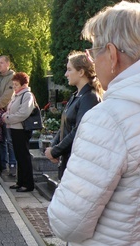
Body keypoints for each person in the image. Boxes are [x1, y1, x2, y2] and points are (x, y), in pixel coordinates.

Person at [48, 2, 140, 246]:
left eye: (93, 51)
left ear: (112, 55)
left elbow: (67, 221)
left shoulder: (109, 119)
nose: (91, 60)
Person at [45, 51, 103, 180]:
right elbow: (65, 125)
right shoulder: (75, 96)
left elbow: (79, 131)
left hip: (79, 163)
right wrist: (54, 147)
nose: (66, 74)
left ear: (81, 72)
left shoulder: (89, 97)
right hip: (68, 160)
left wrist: (55, 151)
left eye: (69, 70)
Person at [2, 72, 35, 192]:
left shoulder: (27, 95)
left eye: (16, 85)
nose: (14, 87)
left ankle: (28, 183)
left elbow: (23, 113)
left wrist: (8, 118)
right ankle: (20, 181)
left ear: (23, 84)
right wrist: (6, 115)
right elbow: (10, 109)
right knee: (19, 157)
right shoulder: (16, 95)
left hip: (21, 129)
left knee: (24, 156)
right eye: (14, 85)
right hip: (14, 128)